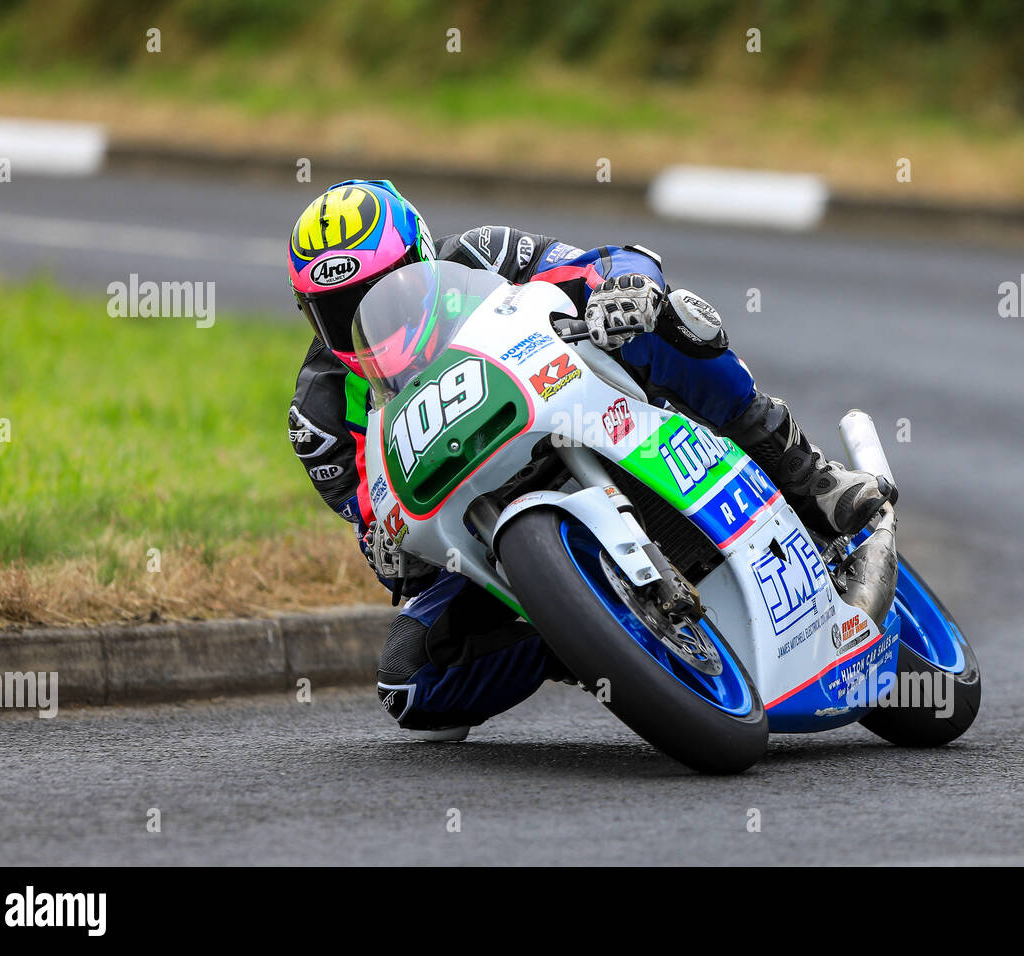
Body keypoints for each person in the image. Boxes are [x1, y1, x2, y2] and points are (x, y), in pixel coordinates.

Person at [287, 179, 891, 739]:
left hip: (580, 408)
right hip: (481, 520)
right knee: (409, 684)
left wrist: (622, 288)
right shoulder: (319, 420)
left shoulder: (483, 252)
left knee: (668, 317)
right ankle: (589, 630)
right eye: (342, 310)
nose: (373, 318)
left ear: (421, 258)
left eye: (388, 288)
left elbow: (608, 259)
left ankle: (804, 474)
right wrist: (386, 549)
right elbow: (380, 530)